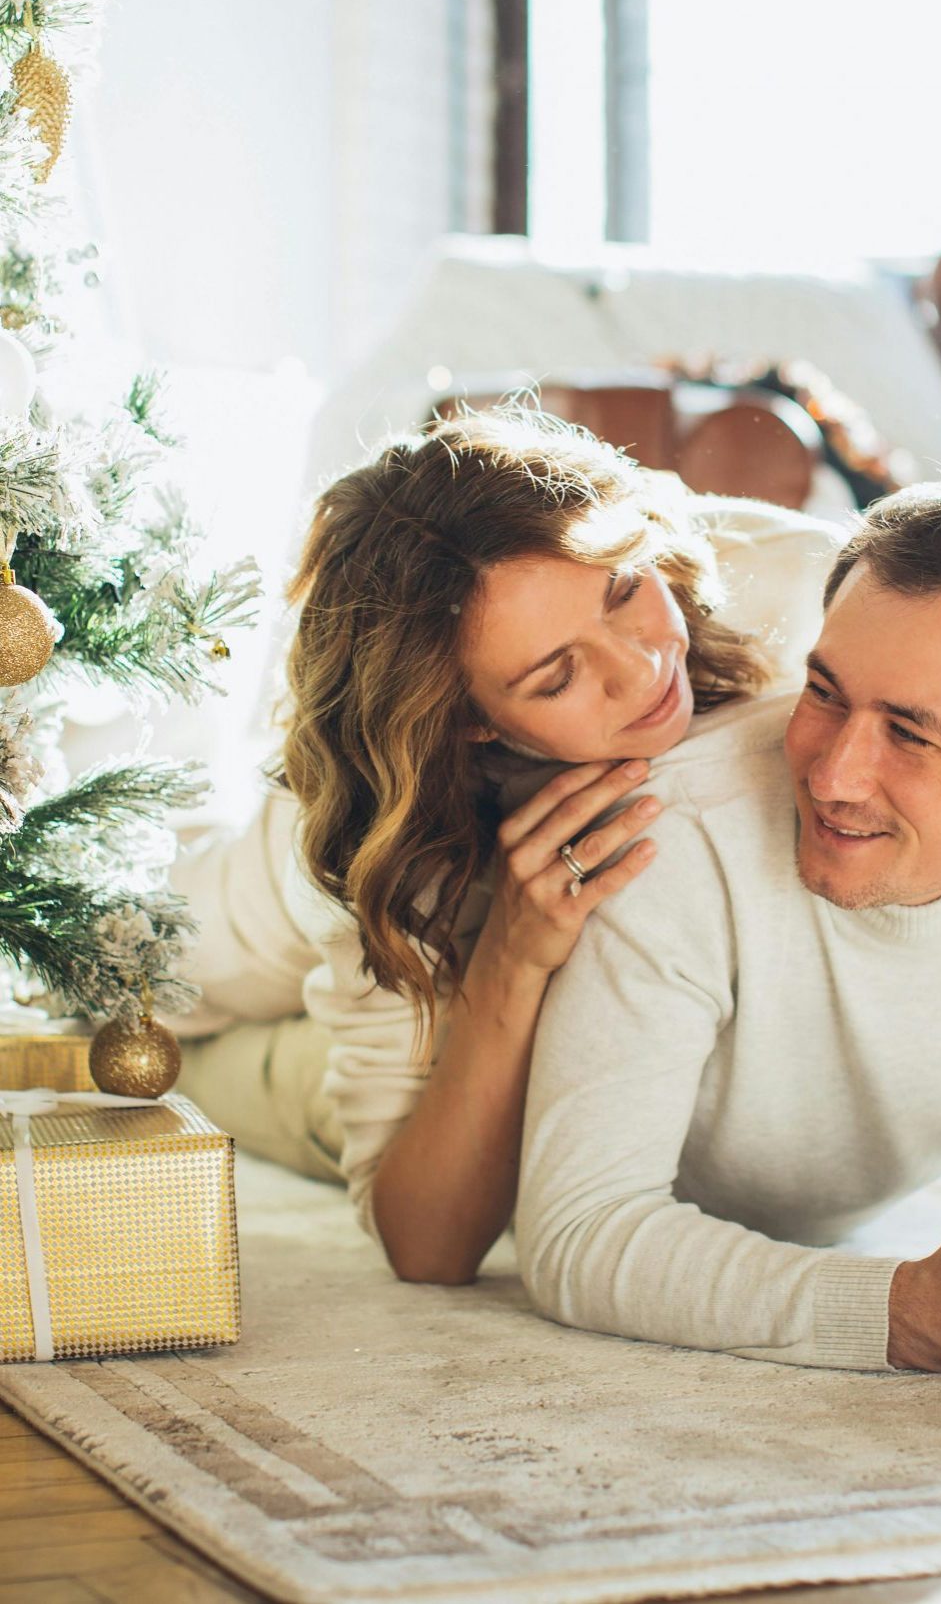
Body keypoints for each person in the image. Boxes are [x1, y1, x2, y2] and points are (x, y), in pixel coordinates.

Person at [517, 467, 941, 1407]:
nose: (833, 775)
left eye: (909, 734)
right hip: (400, 1013)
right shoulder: (674, 828)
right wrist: (906, 1309)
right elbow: (577, 1232)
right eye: (825, 692)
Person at [172, 403, 841, 1280]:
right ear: (471, 724)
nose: (641, 666)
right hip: (254, 908)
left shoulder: (802, 584)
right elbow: (426, 1243)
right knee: (155, 1016)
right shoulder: (392, 833)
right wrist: (509, 959)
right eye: (556, 674)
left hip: (401, 974)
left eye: (624, 589)